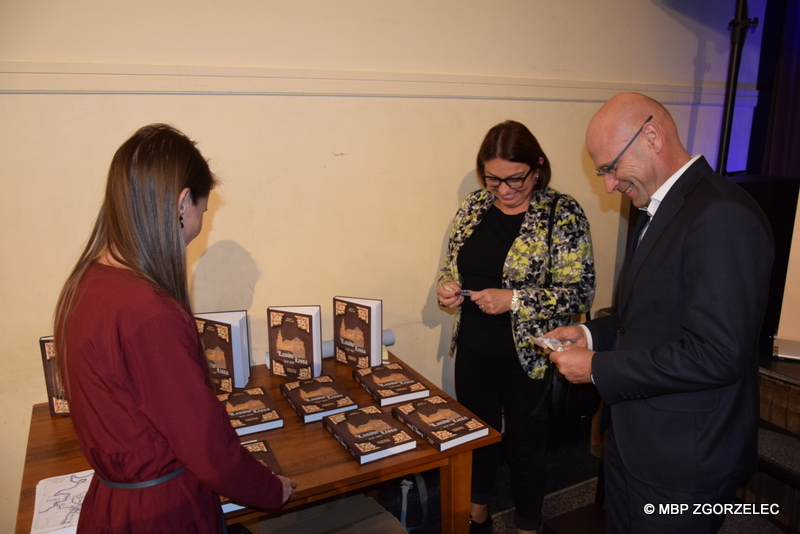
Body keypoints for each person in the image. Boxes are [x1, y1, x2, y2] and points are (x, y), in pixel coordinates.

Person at [546, 92, 774, 533]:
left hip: (686, 463)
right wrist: (590, 336)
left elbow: (716, 354)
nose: (609, 185)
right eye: (602, 173)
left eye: (611, 167)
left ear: (651, 136)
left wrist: (598, 368)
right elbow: (649, 318)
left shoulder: (721, 214)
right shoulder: (660, 209)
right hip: (636, 444)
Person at [54, 124, 296, 533]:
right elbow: (207, 448)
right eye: (204, 209)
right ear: (183, 203)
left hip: (115, 504)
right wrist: (271, 489)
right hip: (164, 513)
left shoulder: (85, 283)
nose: (203, 220)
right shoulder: (147, 311)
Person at [436, 120, 595, 534]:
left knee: (526, 447)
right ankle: (477, 516)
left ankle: (528, 526)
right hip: (473, 348)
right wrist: (446, 288)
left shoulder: (562, 213)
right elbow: (452, 266)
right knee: (478, 439)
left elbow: (580, 293)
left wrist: (515, 299)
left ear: (537, 167)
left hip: (529, 357)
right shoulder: (474, 207)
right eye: (493, 180)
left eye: (515, 179)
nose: (504, 190)